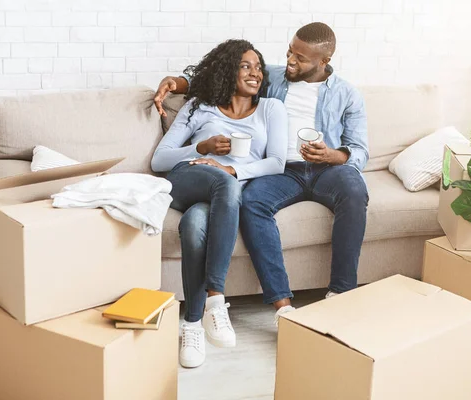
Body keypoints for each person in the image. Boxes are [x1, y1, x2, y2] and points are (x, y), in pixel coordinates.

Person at [154, 22, 368, 326]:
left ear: (324, 61)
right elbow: (224, 74)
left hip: (327, 169)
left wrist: (334, 155)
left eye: (301, 58)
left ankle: (340, 293)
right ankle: (282, 306)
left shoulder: (348, 95)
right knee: (252, 202)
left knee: (354, 188)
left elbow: (359, 150)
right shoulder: (275, 78)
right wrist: (178, 82)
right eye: (290, 52)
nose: (292, 61)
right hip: (283, 171)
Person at [151, 39, 288, 368]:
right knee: (225, 185)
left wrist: (231, 168)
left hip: (228, 188)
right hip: (187, 178)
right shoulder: (200, 106)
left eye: (258, 67)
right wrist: (201, 148)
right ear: (228, 70)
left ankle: (192, 323)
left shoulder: (271, 109)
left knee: (195, 224)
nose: (255, 73)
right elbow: (159, 160)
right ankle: (216, 297)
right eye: (245, 66)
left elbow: (277, 163)